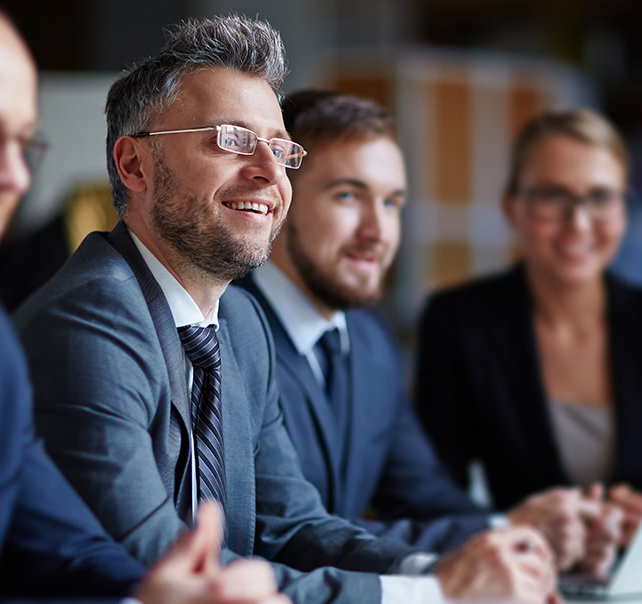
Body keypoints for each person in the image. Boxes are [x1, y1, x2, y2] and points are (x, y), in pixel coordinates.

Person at [14, 14, 558, 604]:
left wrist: (439, 571)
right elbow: (163, 565)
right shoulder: (90, 319)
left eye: (280, 149)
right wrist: (436, 596)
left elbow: (292, 527)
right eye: (231, 140)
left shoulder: (241, 325)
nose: (271, 174)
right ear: (134, 165)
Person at [0, 1, 289, 602]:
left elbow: (63, 549)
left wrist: (164, 595)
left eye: (21, 142)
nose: (13, 177)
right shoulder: (83, 315)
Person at [234, 89, 621, 575]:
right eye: (348, 195)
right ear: (278, 195)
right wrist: (503, 536)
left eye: (393, 203)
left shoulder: (371, 341)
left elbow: (425, 497)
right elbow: (286, 533)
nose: (378, 231)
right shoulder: (227, 329)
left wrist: (530, 536)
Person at [414, 108, 642, 547]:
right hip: (521, 577)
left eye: (600, 198)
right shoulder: (460, 322)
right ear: (512, 209)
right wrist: (513, 525)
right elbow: (428, 491)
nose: (579, 222)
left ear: (625, 208)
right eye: (552, 197)